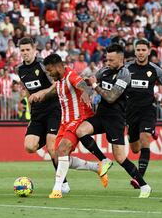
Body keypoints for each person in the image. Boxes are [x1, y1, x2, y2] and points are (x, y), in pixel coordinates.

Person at [76, 43, 152, 198]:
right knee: (80, 131)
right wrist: (83, 84)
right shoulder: (104, 70)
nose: (108, 63)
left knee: (120, 158)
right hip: (101, 116)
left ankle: (144, 185)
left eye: (111, 60)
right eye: (107, 59)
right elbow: (88, 81)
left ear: (120, 59)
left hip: (116, 119)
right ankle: (104, 160)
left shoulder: (125, 74)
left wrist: (95, 86)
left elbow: (111, 98)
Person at [36, 53, 108, 199]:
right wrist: (42, 95)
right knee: (58, 156)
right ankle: (97, 167)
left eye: (50, 70)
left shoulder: (70, 75)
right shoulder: (60, 79)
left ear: (58, 67)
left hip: (78, 118)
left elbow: (80, 83)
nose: (49, 74)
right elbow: (54, 89)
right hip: (65, 122)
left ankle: (57, 189)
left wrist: (85, 93)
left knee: (62, 149)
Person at [16, 37, 70, 193]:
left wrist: (41, 92)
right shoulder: (20, 70)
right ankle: (51, 142)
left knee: (52, 147)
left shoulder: (42, 65)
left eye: (28, 50)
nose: (25, 53)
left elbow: (57, 84)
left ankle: (63, 183)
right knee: (29, 147)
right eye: (22, 50)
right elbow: (27, 89)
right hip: (37, 114)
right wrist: (26, 102)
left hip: (53, 109)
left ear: (34, 49)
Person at [125, 39, 162, 188]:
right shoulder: (126, 68)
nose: (140, 53)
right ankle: (152, 130)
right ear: (135, 51)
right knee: (135, 149)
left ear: (149, 51)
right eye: (138, 50)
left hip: (148, 110)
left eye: (143, 50)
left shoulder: (155, 70)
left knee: (145, 140)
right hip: (131, 112)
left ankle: (139, 179)